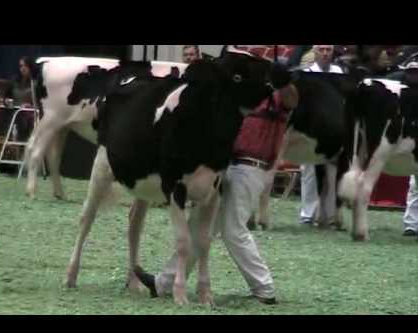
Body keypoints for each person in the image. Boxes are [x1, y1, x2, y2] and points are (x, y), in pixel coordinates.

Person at [135, 84, 299, 305]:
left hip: (250, 166)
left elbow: (292, 98)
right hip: (228, 163)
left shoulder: (276, 96)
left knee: (234, 230)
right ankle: (163, 283)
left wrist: (283, 79)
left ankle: (265, 288)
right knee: (200, 226)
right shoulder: (243, 94)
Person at [298, 45, 344, 225]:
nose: (325, 53)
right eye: (321, 50)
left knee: (333, 171)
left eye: (328, 50)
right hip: (310, 129)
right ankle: (308, 213)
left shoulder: (338, 72)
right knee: (308, 171)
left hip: (333, 130)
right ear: (314, 52)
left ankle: (330, 214)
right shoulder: (306, 73)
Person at [401, 62, 418, 236]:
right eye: (411, 72)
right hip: (409, 142)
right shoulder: (402, 94)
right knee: (415, 185)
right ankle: (411, 224)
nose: (414, 76)